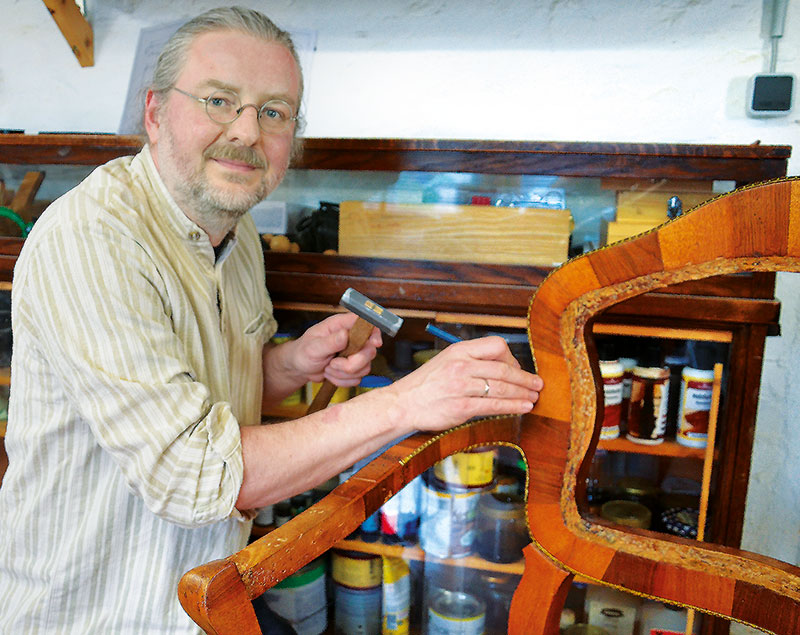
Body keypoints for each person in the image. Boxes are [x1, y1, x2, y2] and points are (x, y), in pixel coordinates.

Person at [0, 6, 543, 633]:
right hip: (93, 615)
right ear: (154, 112)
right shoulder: (94, 238)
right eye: (218, 100)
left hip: (207, 601)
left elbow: (201, 387)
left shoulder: (238, 235)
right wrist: (407, 402)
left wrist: (288, 365)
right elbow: (196, 474)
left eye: (274, 112)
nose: (247, 132)